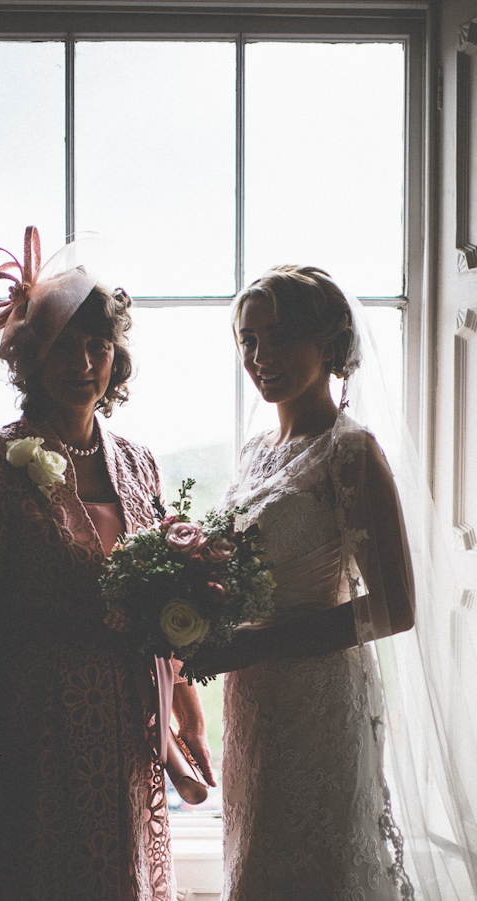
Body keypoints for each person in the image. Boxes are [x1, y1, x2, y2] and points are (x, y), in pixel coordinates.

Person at [0, 227, 214, 901]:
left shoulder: (139, 463)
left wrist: (187, 711)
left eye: (97, 343)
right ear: (32, 356)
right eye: (63, 345)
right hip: (35, 723)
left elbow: (166, 604)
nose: (83, 361)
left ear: (116, 356)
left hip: (127, 725)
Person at [190, 265, 418, 900]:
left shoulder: (352, 453)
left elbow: (396, 609)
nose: (261, 357)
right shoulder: (255, 451)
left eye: (281, 337)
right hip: (253, 701)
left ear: (330, 343)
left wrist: (257, 643)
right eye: (249, 340)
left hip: (317, 698)